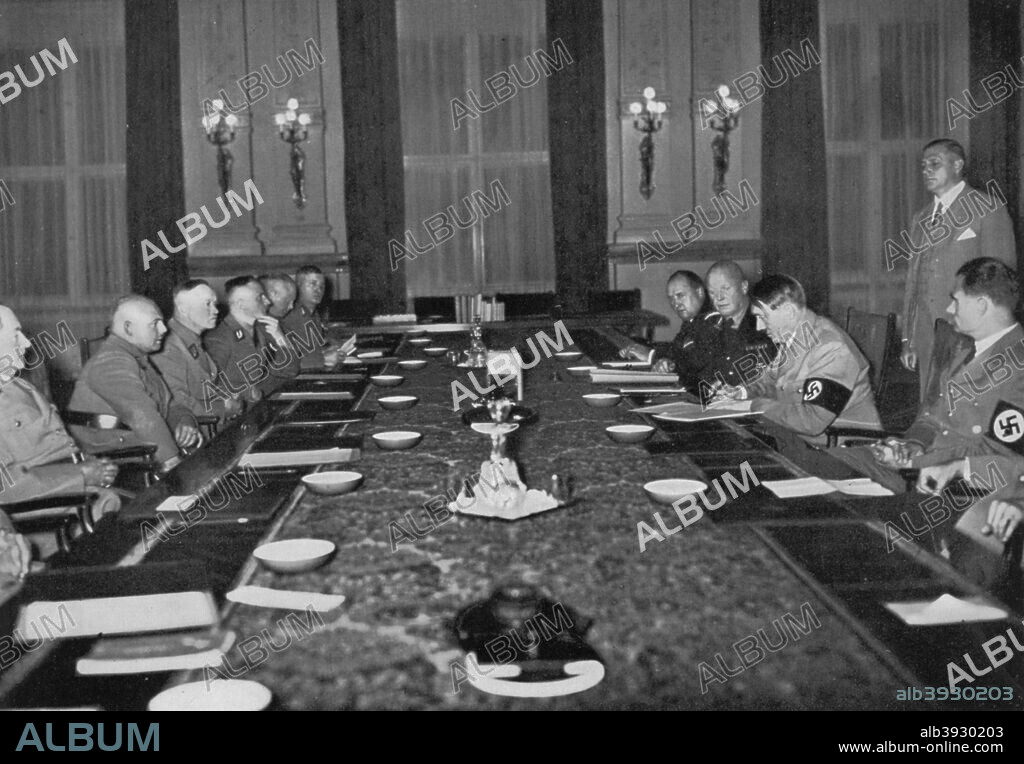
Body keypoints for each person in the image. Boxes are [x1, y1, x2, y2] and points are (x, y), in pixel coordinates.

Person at [838, 258, 1024, 493]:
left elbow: (1004, 459)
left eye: (955, 300)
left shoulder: (1017, 368)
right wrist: (912, 445)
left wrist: (914, 462)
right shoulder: (963, 350)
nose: (950, 309)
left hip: (959, 490)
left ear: (982, 306)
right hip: (921, 467)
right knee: (825, 466)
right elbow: (931, 418)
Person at [899, 139, 1015, 400]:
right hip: (927, 334)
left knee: (965, 407)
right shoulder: (921, 218)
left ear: (958, 165)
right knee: (929, 408)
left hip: (967, 334)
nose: (926, 170)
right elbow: (912, 282)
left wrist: (989, 340)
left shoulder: (988, 208)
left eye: (935, 164)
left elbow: (1001, 282)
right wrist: (908, 339)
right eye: (923, 166)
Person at [709, 274, 882, 446]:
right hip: (801, 441)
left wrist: (753, 405)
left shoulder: (831, 348)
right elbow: (770, 380)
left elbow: (811, 421)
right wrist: (741, 393)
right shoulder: (796, 336)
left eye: (763, 317)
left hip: (840, 451)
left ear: (789, 312)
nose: (759, 327)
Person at [0, 305, 120, 545]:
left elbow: (55, 445)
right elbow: (6, 484)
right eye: (16, 335)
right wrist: (79, 476)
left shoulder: (21, 387)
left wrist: (88, 465)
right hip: (39, 515)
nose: (26, 344)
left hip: (67, 496)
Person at [69, 295, 200, 474]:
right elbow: (141, 415)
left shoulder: (136, 358)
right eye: (154, 324)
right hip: (122, 464)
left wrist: (184, 422)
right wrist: (172, 461)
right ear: (128, 328)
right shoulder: (111, 361)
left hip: (141, 453)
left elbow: (169, 404)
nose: (163, 330)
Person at [152, 279, 245, 426]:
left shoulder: (192, 340)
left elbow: (206, 384)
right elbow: (176, 402)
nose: (215, 310)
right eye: (207, 304)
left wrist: (228, 395)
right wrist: (223, 408)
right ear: (183, 309)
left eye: (214, 304)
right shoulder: (168, 346)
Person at [619, 270, 720, 390]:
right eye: (671, 298)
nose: (675, 303)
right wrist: (647, 350)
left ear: (699, 292)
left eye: (680, 295)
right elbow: (676, 349)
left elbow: (696, 361)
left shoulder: (713, 320)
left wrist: (652, 356)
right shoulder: (693, 321)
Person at [204, 276, 300, 399]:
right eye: (260, 297)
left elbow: (290, 370)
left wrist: (280, 338)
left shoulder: (263, 331)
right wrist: (248, 393)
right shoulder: (219, 338)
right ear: (240, 304)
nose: (268, 302)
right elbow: (207, 385)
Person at [701, 260, 776, 387]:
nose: (719, 298)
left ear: (744, 287)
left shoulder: (767, 322)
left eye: (725, 289)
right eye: (712, 292)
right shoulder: (708, 327)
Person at [281, 268, 353, 369]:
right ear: (298, 286)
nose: (318, 290)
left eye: (322, 286)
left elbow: (305, 351)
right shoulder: (290, 315)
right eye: (312, 284)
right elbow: (283, 361)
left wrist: (324, 351)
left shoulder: (314, 315)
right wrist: (323, 359)